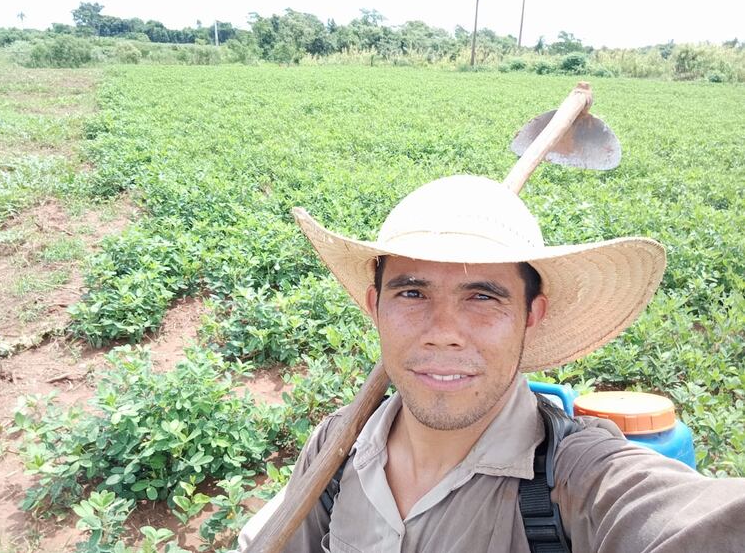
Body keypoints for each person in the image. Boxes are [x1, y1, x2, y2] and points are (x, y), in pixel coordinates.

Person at [238, 175, 745, 552]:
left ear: (532, 315)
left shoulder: (578, 480)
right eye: (412, 292)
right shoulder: (336, 447)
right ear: (375, 307)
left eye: (482, 297)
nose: (443, 332)